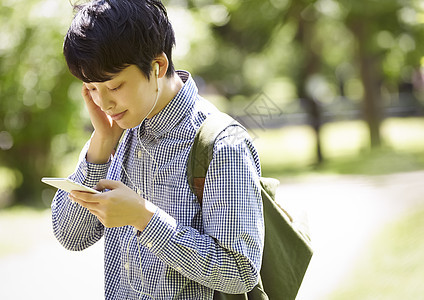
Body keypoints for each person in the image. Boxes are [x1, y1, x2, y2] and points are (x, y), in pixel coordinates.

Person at [51, 0, 264, 299]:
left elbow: (241, 272)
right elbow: (71, 236)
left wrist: (145, 218)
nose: (104, 104)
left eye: (114, 86)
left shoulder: (222, 143)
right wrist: (100, 144)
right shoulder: (119, 131)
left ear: (158, 66)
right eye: (92, 89)